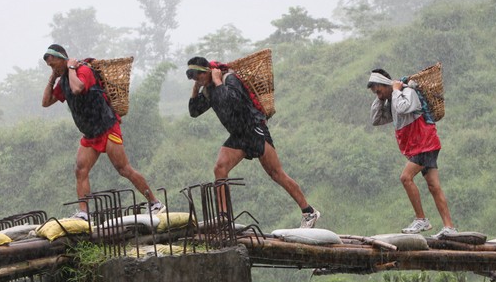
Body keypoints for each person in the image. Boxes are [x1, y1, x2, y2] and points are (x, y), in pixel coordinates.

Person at [186, 56, 320, 228]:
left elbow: (233, 101)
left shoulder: (229, 79)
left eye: (199, 76)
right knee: (220, 168)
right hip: (238, 135)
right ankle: (223, 217)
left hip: (254, 130)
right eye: (194, 79)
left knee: (276, 174)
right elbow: (194, 112)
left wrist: (219, 81)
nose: (198, 80)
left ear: (208, 71)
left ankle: (309, 212)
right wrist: (196, 89)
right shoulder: (208, 89)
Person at [41, 44, 162, 219]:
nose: (52, 68)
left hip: (107, 127)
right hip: (90, 134)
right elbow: (46, 102)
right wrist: (53, 78)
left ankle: (155, 202)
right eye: (49, 67)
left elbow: (78, 88)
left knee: (123, 169)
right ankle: (84, 213)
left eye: (53, 65)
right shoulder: (64, 80)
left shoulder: (82, 70)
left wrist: (72, 68)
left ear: (62, 59)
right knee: (80, 170)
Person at [368, 69, 458, 238]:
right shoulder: (392, 100)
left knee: (405, 177)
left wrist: (395, 90)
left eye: (379, 91)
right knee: (433, 186)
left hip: (425, 143)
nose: (378, 95)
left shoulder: (407, 92)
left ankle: (421, 219)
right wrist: (380, 99)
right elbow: (376, 119)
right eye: (375, 93)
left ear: (387, 85)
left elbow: (403, 108)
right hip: (420, 146)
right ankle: (449, 227)